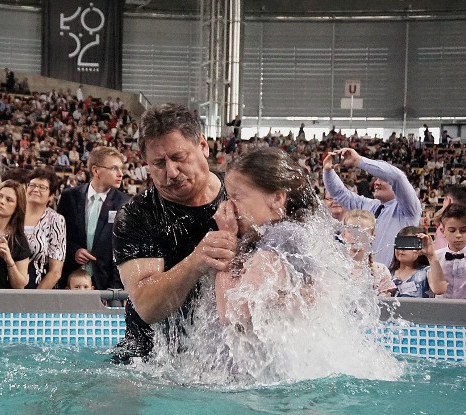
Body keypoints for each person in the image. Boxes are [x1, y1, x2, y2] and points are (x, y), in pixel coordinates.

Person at [112, 103, 237, 361]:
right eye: (158, 163)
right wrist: (195, 262)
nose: (171, 172)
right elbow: (146, 305)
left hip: (223, 359)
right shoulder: (137, 216)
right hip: (149, 361)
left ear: (203, 145)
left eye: (179, 157)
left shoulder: (239, 195)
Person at [214, 147, 322, 325]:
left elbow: (235, 312)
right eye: (228, 197)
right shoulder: (275, 235)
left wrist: (227, 239)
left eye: (237, 197)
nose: (229, 207)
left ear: (277, 198)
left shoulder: (283, 235)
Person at [322, 148, 422, 267]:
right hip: (366, 280)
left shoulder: (408, 210)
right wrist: (328, 171)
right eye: (376, 178)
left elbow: (397, 177)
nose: (376, 183)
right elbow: (340, 194)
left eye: (382, 179)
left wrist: (359, 161)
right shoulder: (370, 205)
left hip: (393, 281)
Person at [57, 146, 130, 289]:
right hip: (71, 282)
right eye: (114, 168)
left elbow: (123, 249)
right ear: (96, 170)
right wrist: (75, 251)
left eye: (121, 168)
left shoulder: (125, 203)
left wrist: (115, 288)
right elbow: (60, 237)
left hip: (106, 284)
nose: (120, 174)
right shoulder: (69, 197)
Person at [23, 168, 66, 289]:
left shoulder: (56, 220)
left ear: (51, 197)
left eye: (42, 187)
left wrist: (35, 300)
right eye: (32, 185)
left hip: (39, 289)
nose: (35, 189)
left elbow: (55, 271)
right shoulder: (14, 214)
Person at [434, 204, 466, 299]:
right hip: (440, 310)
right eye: (452, 230)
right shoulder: (435, 258)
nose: (458, 235)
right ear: (443, 231)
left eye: (463, 230)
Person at [340, 210, 397, 296]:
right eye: (351, 231)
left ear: (372, 235)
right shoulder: (334, 268)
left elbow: (384, 305)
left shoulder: (381, 271)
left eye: (362, 231)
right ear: (344, 234)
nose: (356, 236)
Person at [389, 226, 447, 298]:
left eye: (409, 244)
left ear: (420, 247)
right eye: (400, 243)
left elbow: (440, 289)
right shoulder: (388, 273)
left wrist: (431, 256)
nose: (402, 249)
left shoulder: (426, 271)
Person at [432, 184, 466, 252]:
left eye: (444, 200)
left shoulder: (445, 229)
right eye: (452, 230)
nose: (458, 235)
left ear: (449, 201)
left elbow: (441, 261)